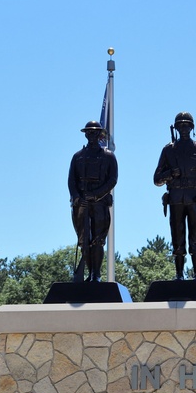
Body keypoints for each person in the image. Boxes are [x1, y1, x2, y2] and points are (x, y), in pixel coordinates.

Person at [153, 112, 196, 280]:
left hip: (195, 198)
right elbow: (157, 179)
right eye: (180, 126)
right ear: (176, 128)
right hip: (176, 199)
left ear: (192, 127)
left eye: (187, 125)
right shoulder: (168, 150)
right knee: (177, 237)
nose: (183, 128)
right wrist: (170, 174)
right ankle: (179, 274)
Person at [68, 120, 118, 282]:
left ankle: (95, 274)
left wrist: (96, 195)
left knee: (98, 240)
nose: (91, 135)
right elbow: (71, 180)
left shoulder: (108, 156)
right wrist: (76, 197)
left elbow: (112, 180)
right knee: (84, 241)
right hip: (81, 204)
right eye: (89, 133)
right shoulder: (77, 157)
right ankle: (87, 273)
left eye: (95, 132)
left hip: (100, 203)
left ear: (100, 134)